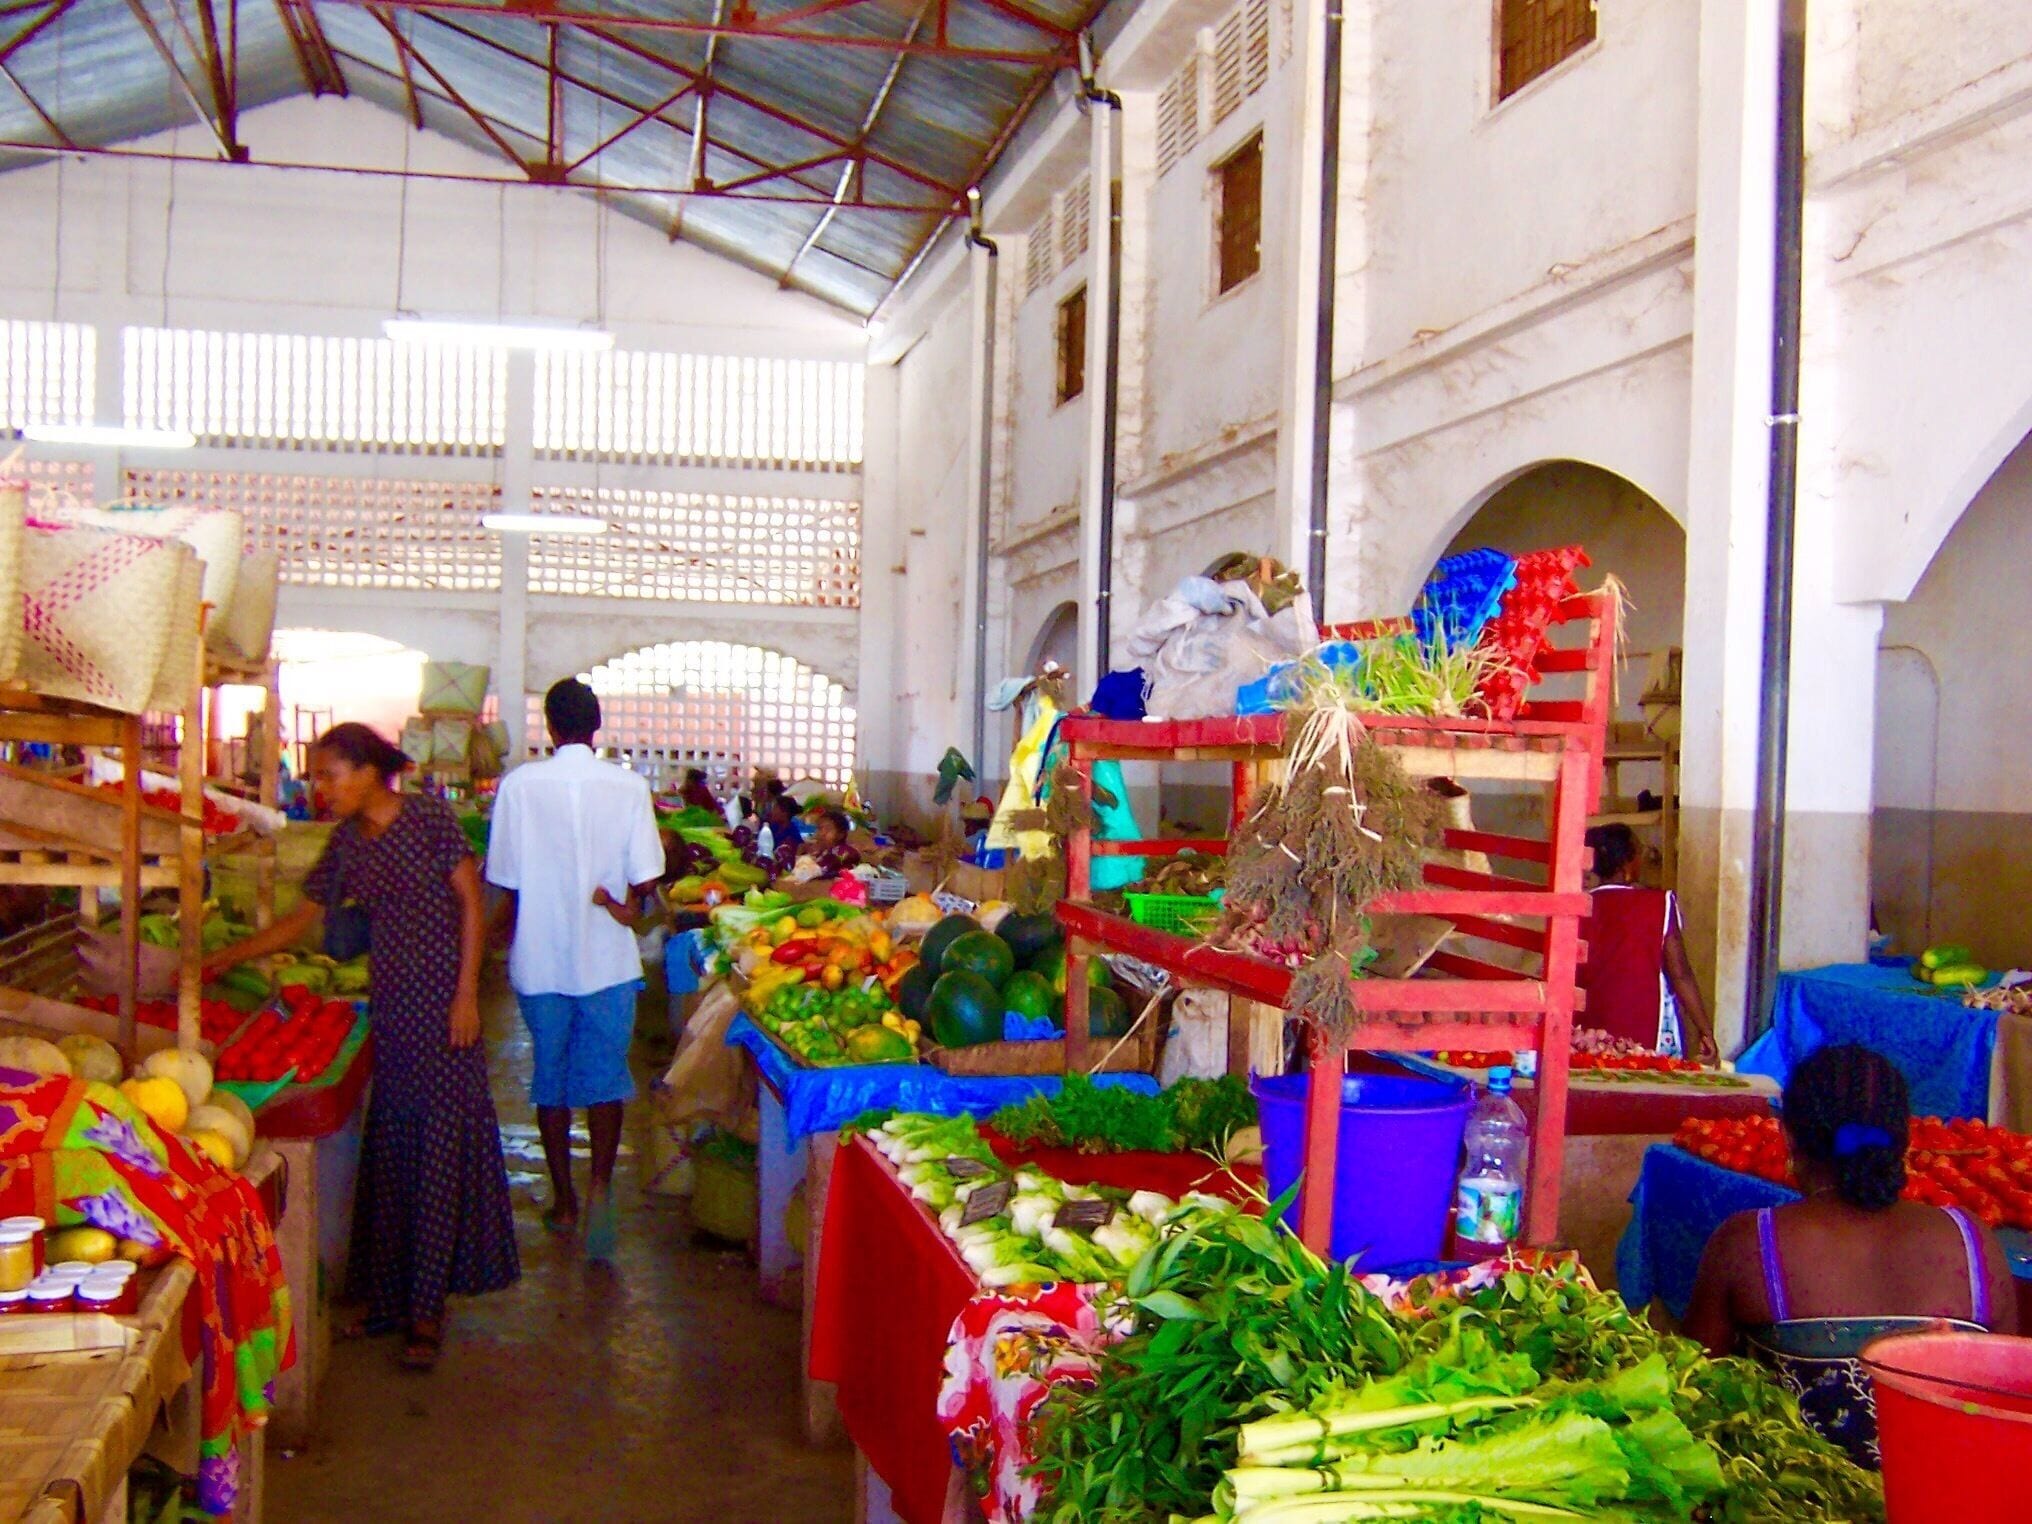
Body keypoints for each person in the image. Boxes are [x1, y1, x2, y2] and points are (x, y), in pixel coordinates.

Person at [203, 723, 517, 1371]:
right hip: (393, 1012)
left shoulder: (429, 818)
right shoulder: (345, 844)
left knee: (435, 1154)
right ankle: (390, 1306)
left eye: (328, 774)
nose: (320, 789)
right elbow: (302, 919)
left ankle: (426, 1315)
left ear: (369, 771)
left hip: (443, 1012)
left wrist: (466, 995)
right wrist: (222, 957)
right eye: (316, 777)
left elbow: (470, 903)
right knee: (396, 1149)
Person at [1684, 1043, 2017, 1466]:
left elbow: (1691, 1389)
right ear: (1905, 1139)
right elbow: (2006, 1403)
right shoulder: (1973, 1243)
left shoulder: (1749, 1242)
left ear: (1788, 1137)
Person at [485, 679, 664, 1260]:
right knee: (606, 1080)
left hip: (541, 962)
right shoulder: (630, 788)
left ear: (551, 727)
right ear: (596, 726)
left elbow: (506, 883)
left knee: (552, 1080)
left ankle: (562, 1201)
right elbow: (645, 884)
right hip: (608, 963)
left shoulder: (518, 787)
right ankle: (601, 1193)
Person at [1577, 823, 1715, 1060]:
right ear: (1628, 863)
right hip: (1646, 1032)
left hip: (1587, 1029)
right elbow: (1680, 973)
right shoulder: (1658, 904)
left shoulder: (1579, 906)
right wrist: (1705, 1030)